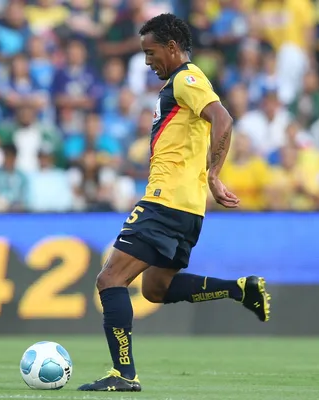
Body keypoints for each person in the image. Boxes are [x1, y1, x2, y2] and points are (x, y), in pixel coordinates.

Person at [78, 14, 271, 392]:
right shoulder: (177, 84)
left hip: (165, 202)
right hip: (186, 208)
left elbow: (224, 119)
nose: (148, 62)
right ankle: (239, 289)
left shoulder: (187, 77)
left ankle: (124, 373)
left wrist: (214, 174)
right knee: (155, 289)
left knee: (109, 279)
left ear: (171, 47)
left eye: (151, 53)